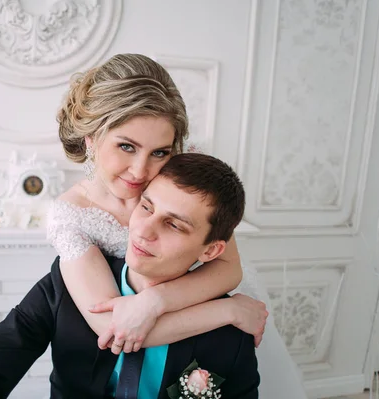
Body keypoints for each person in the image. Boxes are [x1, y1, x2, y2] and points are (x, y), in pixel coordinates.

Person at [47, 54, 307, 399]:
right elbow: (115, 328)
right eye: (126, 146)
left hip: (217, 335)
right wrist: (227, 311)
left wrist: (153, 302)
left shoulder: (182, 175)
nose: (141, 172)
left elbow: (228, 268)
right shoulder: (71, 215)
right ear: (91, 139)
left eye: (159, 152)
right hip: (196, 324)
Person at [0, 153, 260, 399]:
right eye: (146, 207)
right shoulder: (67, 287)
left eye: (173, 224)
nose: (143, 231)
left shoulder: (229, 336)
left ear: (211, 251)